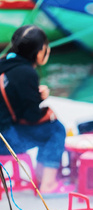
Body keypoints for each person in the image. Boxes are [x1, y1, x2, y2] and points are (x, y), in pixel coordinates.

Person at [0, 25, 71, 195]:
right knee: (56, 129)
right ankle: (47, 184)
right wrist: (41, 98)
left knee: (47, 130)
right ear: (39, 52)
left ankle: (41, 176)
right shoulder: (26, 73)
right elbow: (31, 116)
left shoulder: (4, 63)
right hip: (5, 141)